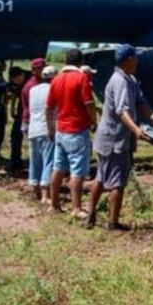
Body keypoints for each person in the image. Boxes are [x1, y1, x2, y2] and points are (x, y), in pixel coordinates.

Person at [86, 45, 153, 231]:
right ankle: (113, 222)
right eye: (135, 58)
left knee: (101, 176)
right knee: (117, 181)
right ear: (129, 60)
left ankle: (91, 214)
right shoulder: (120, 81)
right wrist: (136, 130)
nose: (138, 61)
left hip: (108, 138)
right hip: (114, 140)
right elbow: (122, 111)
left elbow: (140, 102)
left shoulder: (130, 79)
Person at [46, 48, 96, 217]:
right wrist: (94, 121)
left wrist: (50, 127)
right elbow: (89, 103)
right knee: (78, 171)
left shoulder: (56, 80)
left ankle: (54, 205)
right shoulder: (81, 78)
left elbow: (49, 107)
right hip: (77, 129)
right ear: (80, 62)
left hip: (61, 129)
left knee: (58, 167)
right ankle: (76, 208)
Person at [27, 66, 56, 203]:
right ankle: (45, 195)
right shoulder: (52, 89)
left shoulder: (33, 90)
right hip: (46, 129)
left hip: (33, 129)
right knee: (48, 161)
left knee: (35, 161)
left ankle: (35, 191)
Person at [5, 66, 27, 173]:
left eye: (18, 80)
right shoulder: (14, 82)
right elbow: (14, 94)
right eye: (14, 81)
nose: (17, 82)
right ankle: (15, 161)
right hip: (21, 110)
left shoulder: (30, 79)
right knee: (15, 136)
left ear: (22, 74)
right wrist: (12, 108)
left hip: (31, 112)